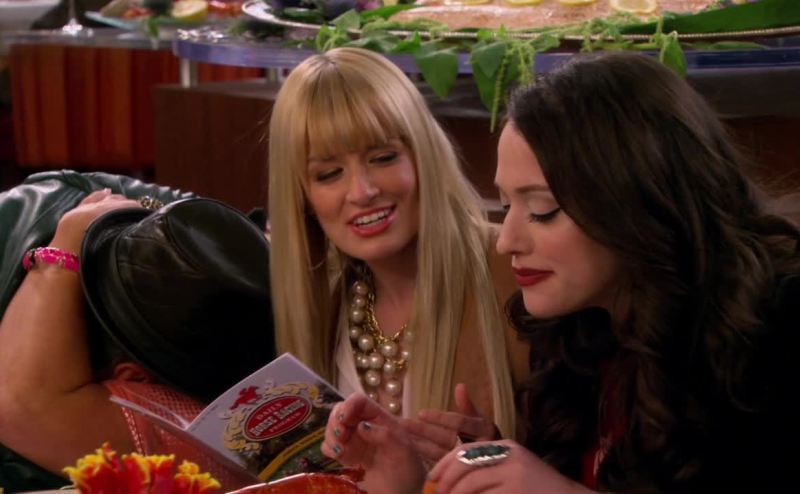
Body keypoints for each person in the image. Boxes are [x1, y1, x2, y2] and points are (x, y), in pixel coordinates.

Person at [321, 51, 800, 493]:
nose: (506, 241)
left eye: (542, 210)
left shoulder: (774, 328)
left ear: (635, 200)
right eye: (506, 205)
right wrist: (454, 472)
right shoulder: (580, 336)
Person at [267, 47, 529, 479]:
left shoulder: (516, 272)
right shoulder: (323, 304)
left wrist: (494, 461)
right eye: (329, 174)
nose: (362, 191)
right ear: (303, 198)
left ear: (423, 155)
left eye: (383, 157)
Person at [0, 189, 276, 491]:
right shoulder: (252, 289)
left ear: (133, 378)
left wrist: (69, 238)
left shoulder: (189, 433)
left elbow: (21, 403)